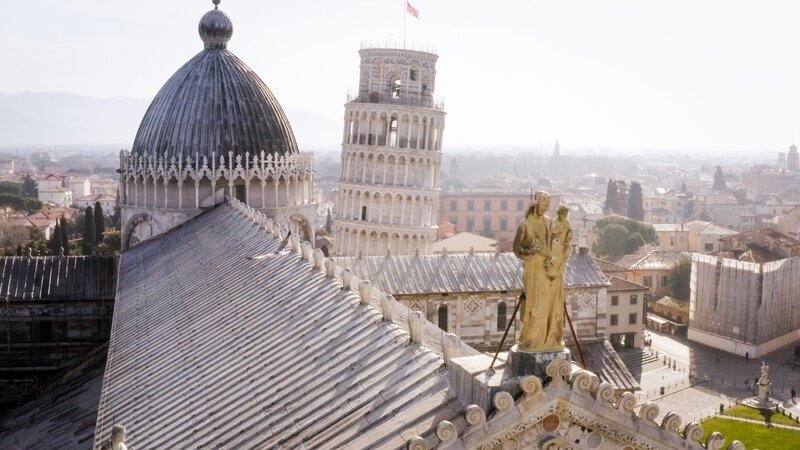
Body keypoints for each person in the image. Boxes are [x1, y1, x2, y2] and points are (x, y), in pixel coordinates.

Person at [513, 191, 560, 352]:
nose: (546, 209)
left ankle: (546, 339)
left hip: (546, 268)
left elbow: (549, 243)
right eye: (544, 205)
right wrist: (530, 251)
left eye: (548, 206)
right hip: (533, 269)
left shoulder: (547, 221)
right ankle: (532, 339)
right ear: (537, 203)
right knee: (535, 305)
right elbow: (517, 249)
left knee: (547, 303)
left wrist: (554, 237)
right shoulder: (525, 224)